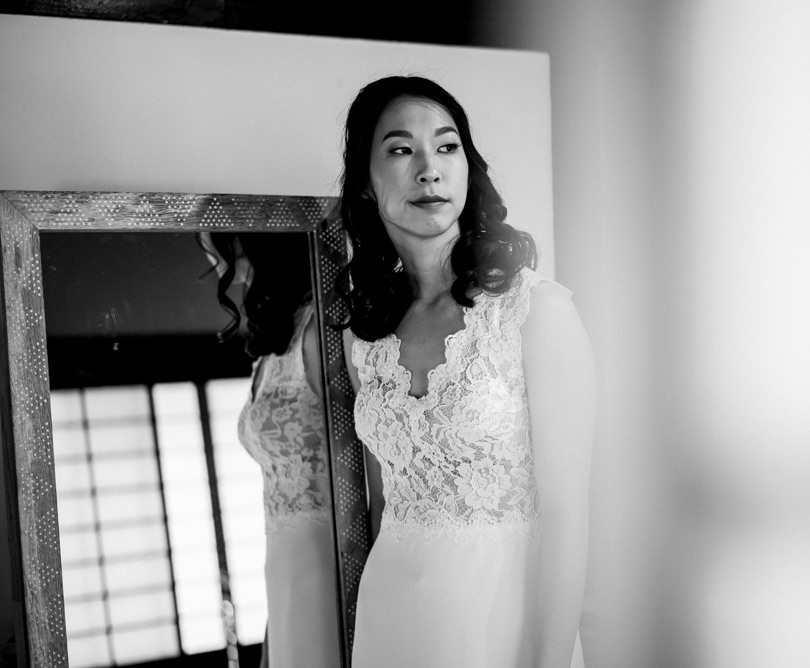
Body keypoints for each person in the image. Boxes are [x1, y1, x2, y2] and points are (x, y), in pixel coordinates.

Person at [338, 75, 595, 668]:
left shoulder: (539, 313)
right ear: (366, 187)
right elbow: (383, 505)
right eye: (401, 150)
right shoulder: (365, 338)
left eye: (446, 146)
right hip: (394, 624)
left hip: (506, 626)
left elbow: (568, 515)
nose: (429, 168)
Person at [201, 232, 341, 668]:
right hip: (283, 560)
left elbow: (357, 453)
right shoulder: (270, 348)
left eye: (210, 241)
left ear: (244, 245)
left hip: (328, 555)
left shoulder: (319, 329)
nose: (207, 254)